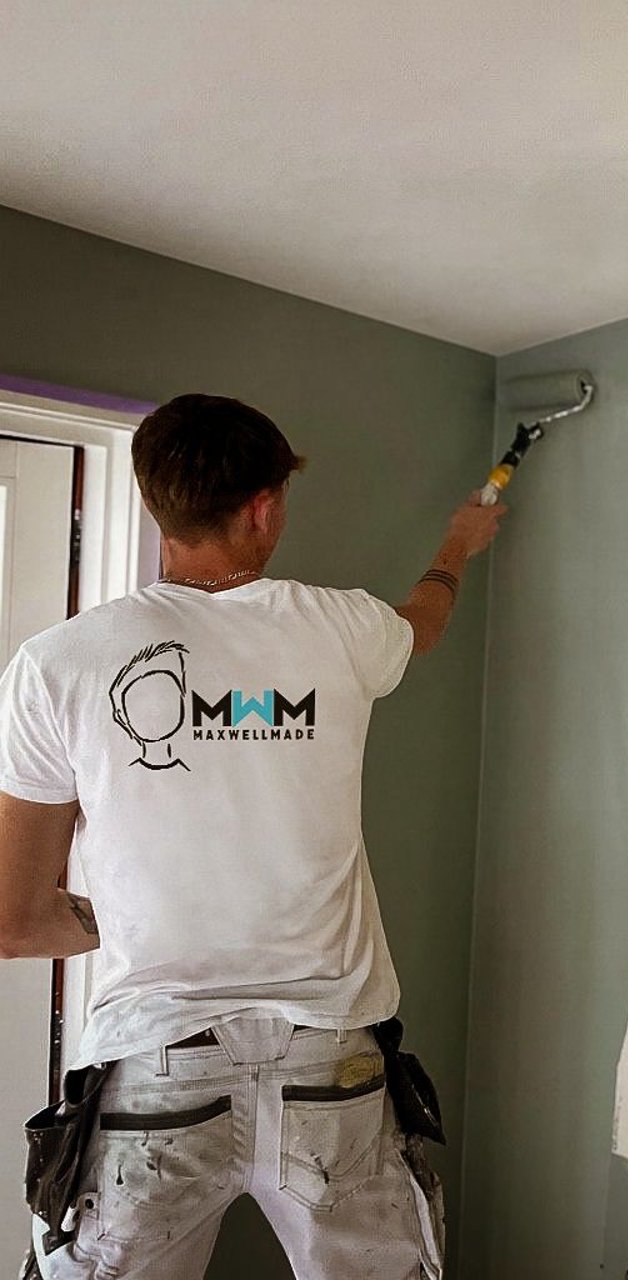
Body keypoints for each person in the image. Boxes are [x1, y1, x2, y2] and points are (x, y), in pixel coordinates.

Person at [0, 394, 504, 1279]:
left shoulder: (58, 664)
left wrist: (142, 916)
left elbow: (14, 922)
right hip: (331, 1064)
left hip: (156, 1065)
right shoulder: (342, 627)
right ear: (264, 508)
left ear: (155, 503)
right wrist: (458, 543)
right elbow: (423, 620)